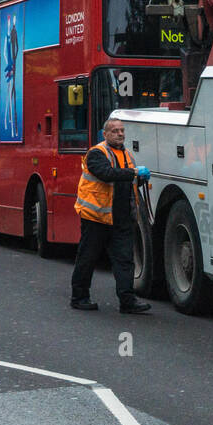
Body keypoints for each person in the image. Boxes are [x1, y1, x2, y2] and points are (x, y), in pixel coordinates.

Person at [71, 118, 153, 313]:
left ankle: (127, 301)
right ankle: (79, 297)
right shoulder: (96, 154)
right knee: (88, 257)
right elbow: (106, 174)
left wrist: (139, 179)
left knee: (125, 260)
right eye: (115, 131)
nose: (120, 134)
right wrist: (134, 172)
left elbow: (125, 182)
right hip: (97, 217)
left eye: (122, 130)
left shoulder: (127, 155)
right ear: (105, 134)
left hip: (122, 218)